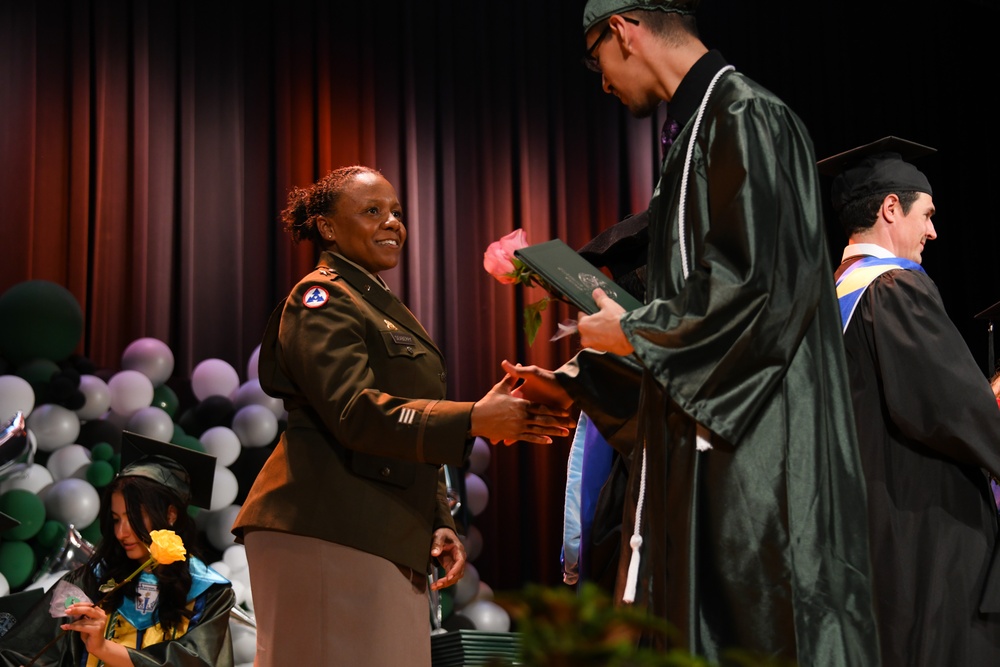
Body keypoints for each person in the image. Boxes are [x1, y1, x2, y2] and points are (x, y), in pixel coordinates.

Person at [505, 0, 881, 662]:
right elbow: (698, 317)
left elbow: (762, 292)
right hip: (714, 454)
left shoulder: (747, 117)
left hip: (763, 463)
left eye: (597, 62)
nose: (602, 83)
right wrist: (584, 383)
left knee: (763, 631)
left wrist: (636, 330)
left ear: (624, 31)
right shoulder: (697, 135)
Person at [231, 166, 573, 667]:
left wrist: (438, 519)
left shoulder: (377, 302)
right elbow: (355, 412)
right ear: (327, 227)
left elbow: (403, 434)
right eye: (372, 211)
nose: (392, 223)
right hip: (327, 524)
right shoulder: (320, 299)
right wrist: (474, 418)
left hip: (384, 528)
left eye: (396, 212)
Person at [821, 137, 1000, 666]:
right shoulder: (893, 288)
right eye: (927, 215)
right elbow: (949, 409)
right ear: (890, 208)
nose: (933, 231)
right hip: (929, 533)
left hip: (868, 531)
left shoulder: (832, 297)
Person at [0, 433, 235, 667]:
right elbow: (20, 653)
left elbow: (195, 662)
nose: (121, 532)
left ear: (170, 516)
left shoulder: (209, 594)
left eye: (132, 519)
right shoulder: (90, 582)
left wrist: (103, 649)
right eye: (115, 519)